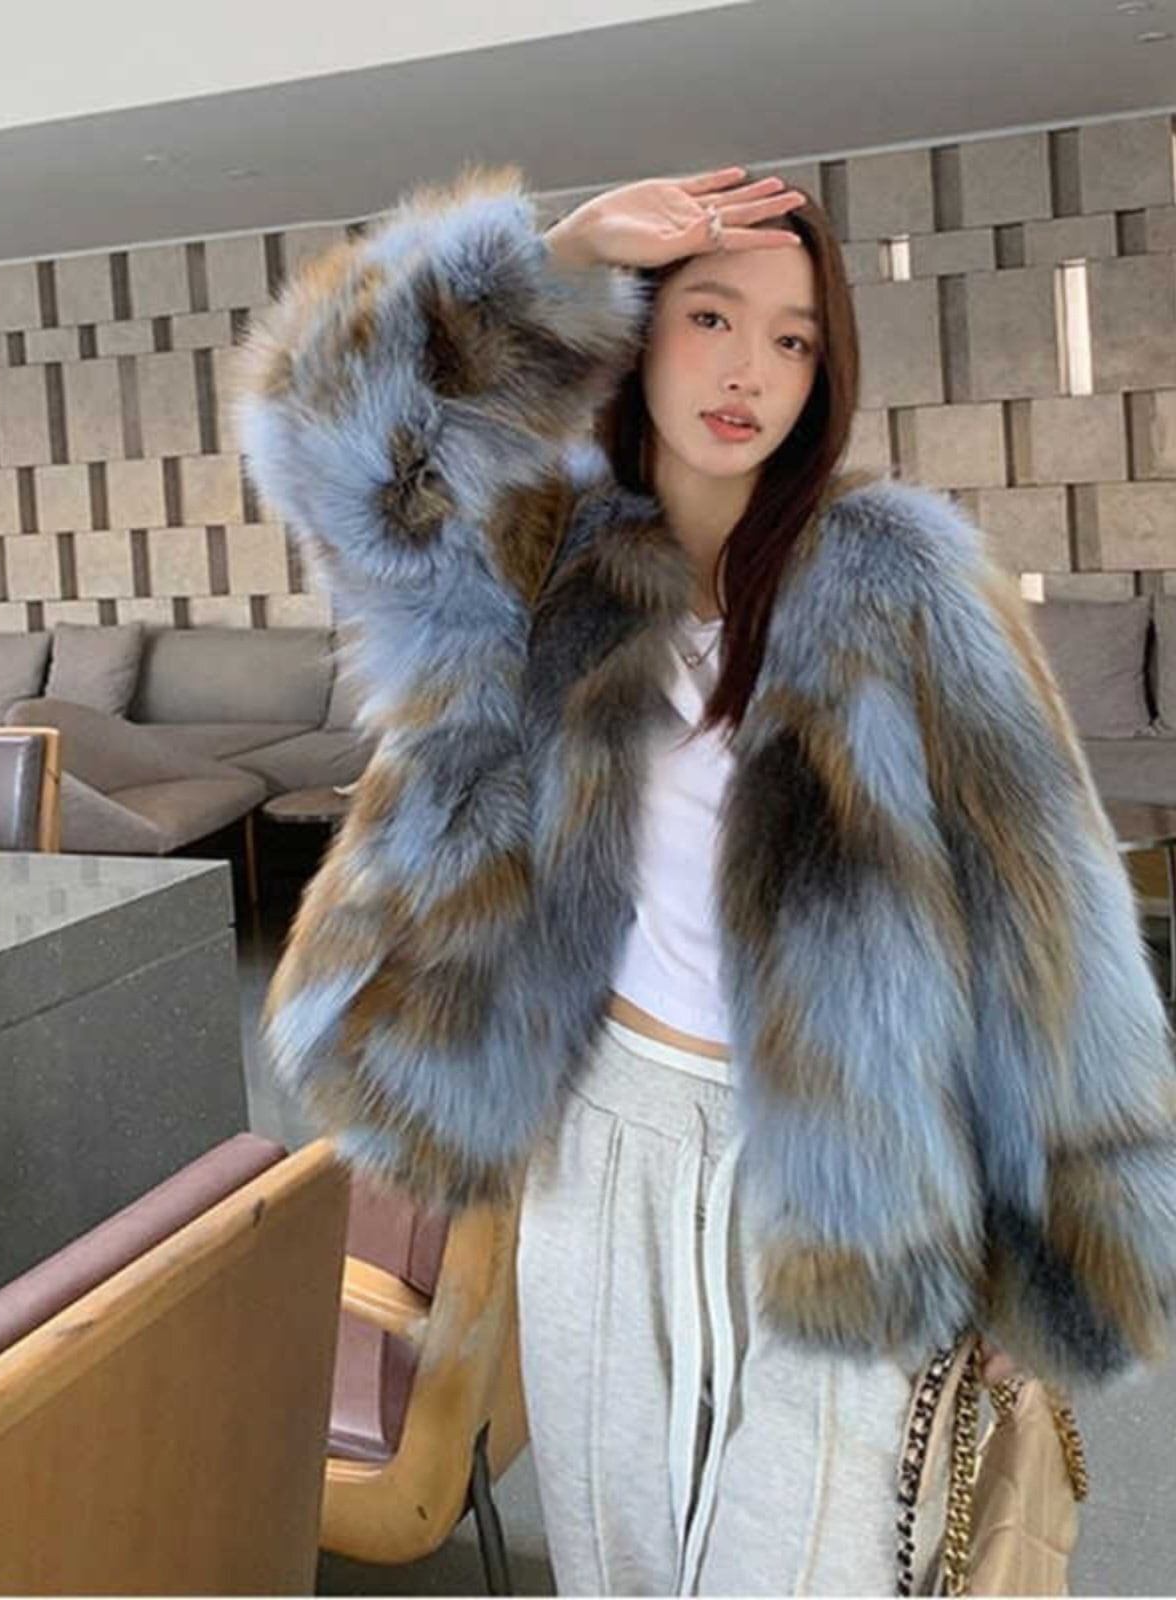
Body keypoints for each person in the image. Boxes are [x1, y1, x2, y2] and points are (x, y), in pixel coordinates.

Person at [238, 161, 1176, 1595]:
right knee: (616, 1559)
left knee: (809, 1565)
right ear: (638, 329)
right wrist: (551, 262)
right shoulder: (531, 563)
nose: (751, 371)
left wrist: (1057, 1244)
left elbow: (1051, 926)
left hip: (849, 1160)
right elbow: (329, 435)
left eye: (794, 340)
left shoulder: (905, 589)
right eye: (713, 317)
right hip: (599, 1135)